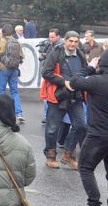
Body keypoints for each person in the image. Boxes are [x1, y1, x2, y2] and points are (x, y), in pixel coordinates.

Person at [40, 31, 87, 170]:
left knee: (81, 126)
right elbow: (46, 72)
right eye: (70, 41)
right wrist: (64, 82)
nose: (73, 44)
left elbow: (84, 72)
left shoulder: (80, 54)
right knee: (52, 129)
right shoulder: (56, 53)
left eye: (75, 41)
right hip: (58, 96)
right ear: (65, 40)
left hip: (75, 96)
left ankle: (67, 155)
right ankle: (50, 157)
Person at [70, 51, 108, 206]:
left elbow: (74, 81)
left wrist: (90, 67)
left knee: (85, 167)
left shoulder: (95, 81)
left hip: (97, 134)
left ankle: (94, 202)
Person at [0, 24, 25, 122]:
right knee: (14, 91)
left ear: (4, 33)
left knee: (1, 91)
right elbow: (22, 56)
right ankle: (19, 113)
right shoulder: (17, 42)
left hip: (3, 68)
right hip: (14, 69)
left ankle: (2, 113)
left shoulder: (0, 41)